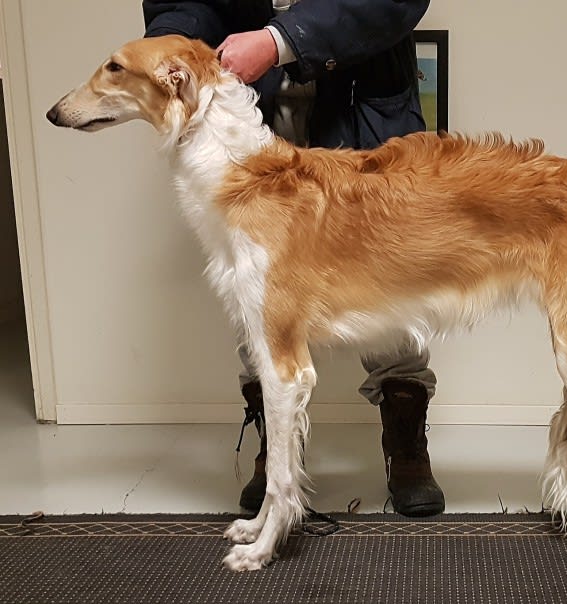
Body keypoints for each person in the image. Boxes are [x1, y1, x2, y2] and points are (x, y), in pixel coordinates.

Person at [143, 0, 445, 517]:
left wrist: (281, 40)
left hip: (360, 94)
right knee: (255, 286)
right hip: (242, 104)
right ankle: (277, 454)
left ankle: (405, 438)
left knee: (387, 275)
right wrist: (172, 45)